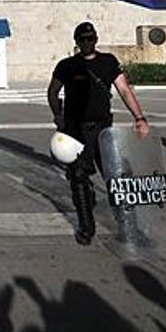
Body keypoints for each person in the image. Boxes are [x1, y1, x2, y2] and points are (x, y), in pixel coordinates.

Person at [47, 21, 150, 246]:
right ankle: (86, 228)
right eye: (83, 39)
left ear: (96, 39)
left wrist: (139, 118)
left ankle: (130, 227)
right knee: (78, 178)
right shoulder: (67, 65)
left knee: (118, 177)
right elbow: (53, 92)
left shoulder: (108, 62)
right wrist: (58, 116)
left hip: (103, 130)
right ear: (76, 41)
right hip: (75, 130)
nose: (87, 43)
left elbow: (124, 90)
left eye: (90, 38)